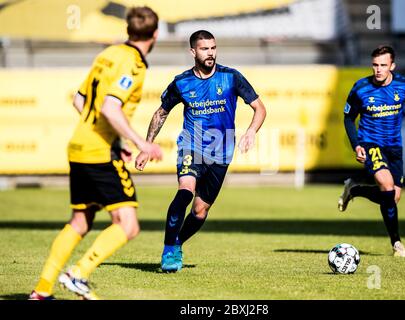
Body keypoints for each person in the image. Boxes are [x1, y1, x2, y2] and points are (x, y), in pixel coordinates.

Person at [29, 6, 162, 300]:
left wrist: (116, 141)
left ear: (128, 30)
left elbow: (80, 99)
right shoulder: (133, 64)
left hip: (79, 146)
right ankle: (78, 274)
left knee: (80, 221)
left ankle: (41, 290)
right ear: (155, 34)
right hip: (99, 152)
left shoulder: (108, 54)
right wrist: (142, 143)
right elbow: (110, 107)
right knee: (127, 225)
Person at [135, 30, 267, 272]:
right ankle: (169, 250)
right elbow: (160, 113)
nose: (210, 53)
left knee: (200, 211)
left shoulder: (231, 77)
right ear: (193, 52)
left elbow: (259, 108)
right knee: (185, 192)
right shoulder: (182, 82)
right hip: (192, 146)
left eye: (213, 48)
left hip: (222, 151)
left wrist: (250, 132)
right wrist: (146, 146)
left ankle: (176, 243)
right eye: (205, 49)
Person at [338, 45, 405, 257]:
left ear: (392, 66)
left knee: (392, 197)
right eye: (375, 65)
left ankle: (354, 189)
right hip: (371, 144)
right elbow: (349, 118)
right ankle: (397, 243)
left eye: (383, 65)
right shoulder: (361, 88)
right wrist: (357, 144)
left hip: (394, 146)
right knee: (386, 185)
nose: (378, 69)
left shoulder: (403, 84)